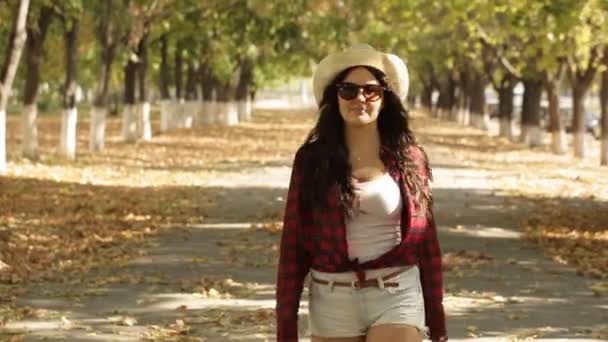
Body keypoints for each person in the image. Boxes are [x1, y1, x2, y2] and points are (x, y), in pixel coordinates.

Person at [275, 44, 447, 342]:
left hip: (396, 291)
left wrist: (438, 325)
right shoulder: (312, 160)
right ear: (335, 97)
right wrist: (285, 329)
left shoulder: (410, 158)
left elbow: (427, 244)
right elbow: (293, 245)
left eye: (371, 90)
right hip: (333, 298)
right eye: (348, 90)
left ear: (385, 97)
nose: (360, 98)